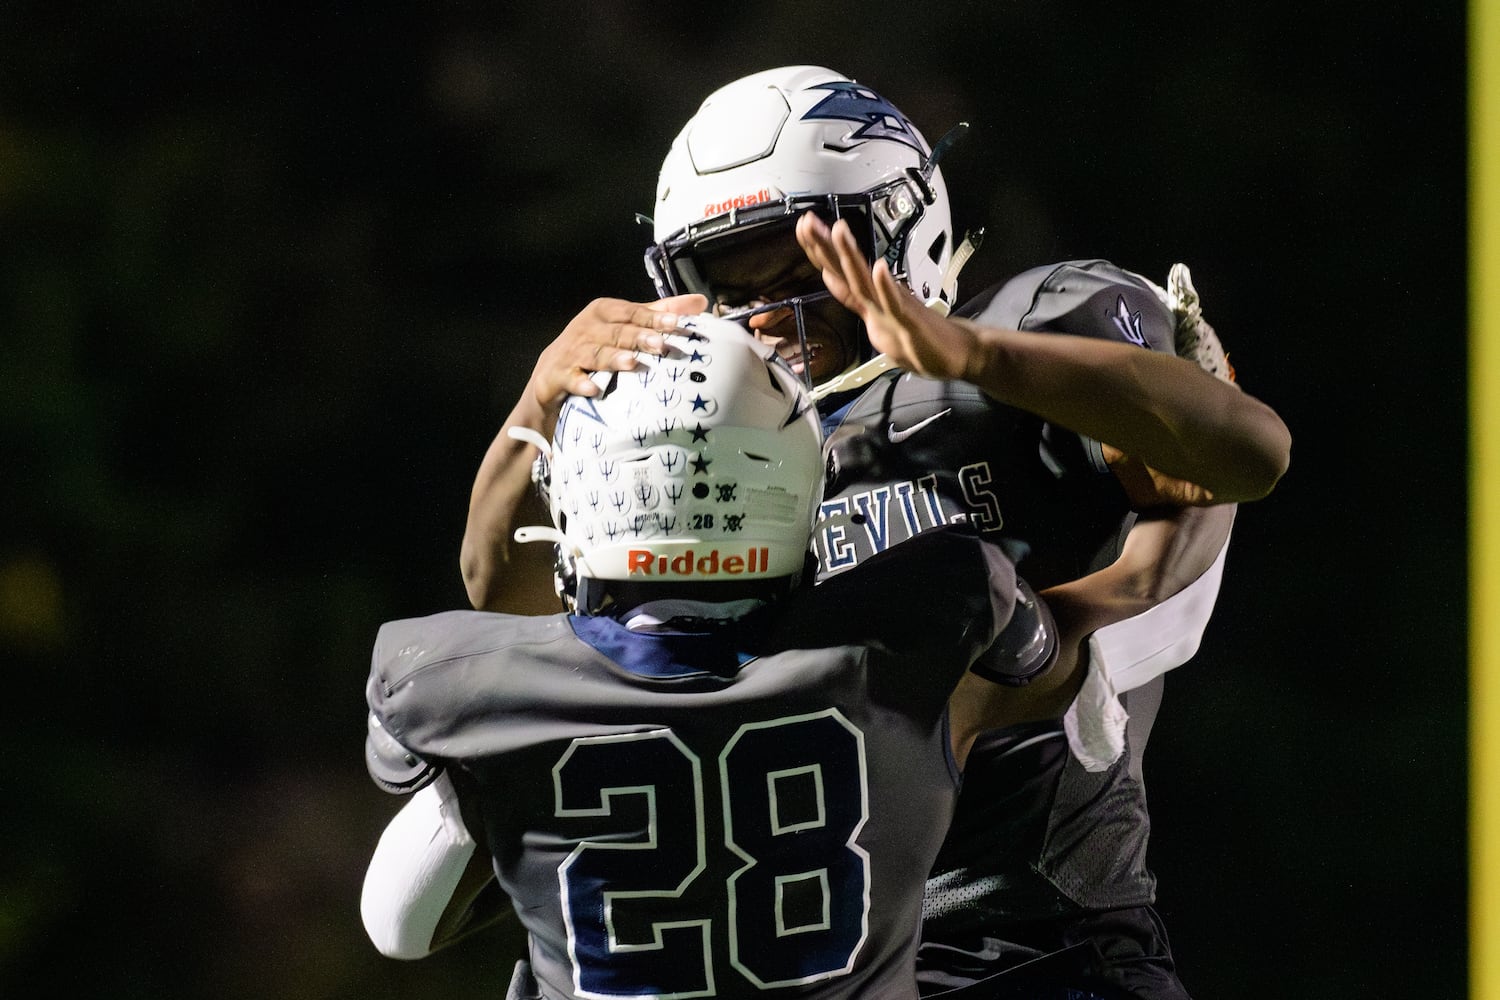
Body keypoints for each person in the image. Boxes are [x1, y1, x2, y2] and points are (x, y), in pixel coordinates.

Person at [454, 67, 1291, 999]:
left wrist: (976, 359)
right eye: (731, 282)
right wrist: (539, 398)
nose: (771, 314)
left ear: (899, 227)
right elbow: (508, 598)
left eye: (805, 266)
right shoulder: (684, 439)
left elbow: (1238, 459)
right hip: (789, 956)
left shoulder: (1023, 342)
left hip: (1017, 937)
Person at [360, 315, 1226, 999]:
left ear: (579, 495)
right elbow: (1059, 647)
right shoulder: (915, 640)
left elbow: (394, 922)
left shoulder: (456, 682)